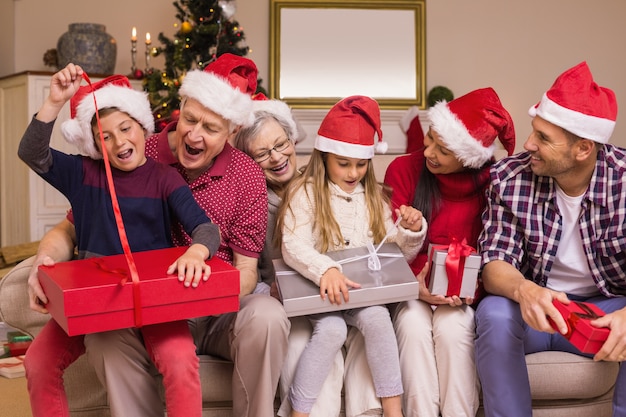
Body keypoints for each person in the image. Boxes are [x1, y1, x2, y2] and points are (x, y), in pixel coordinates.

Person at [28, 54, 290, 417]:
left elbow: (244, 268)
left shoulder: (245, 175)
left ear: (231, 132)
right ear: (179, 109)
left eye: (211, 128)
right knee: (103, 338)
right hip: (138, 301)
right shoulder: (135, 153)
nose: (195, 134)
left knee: (267, 316)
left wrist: (195, 286)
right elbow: (71, 226)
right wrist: (42, 264)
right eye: (190, 119)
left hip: (215, 304)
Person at [17, 64, 221, 417]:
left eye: (125, 128)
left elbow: (205, 228)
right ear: (94, 144)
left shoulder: (165, 179)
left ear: (143, 127)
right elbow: (32, 153)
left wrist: (197, 252)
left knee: (179, 360)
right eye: (105, 136)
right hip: (93, 300)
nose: (119, 141)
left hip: (154, 299)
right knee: (37, 362)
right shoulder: (82, 174)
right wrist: (53, 101)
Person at [474, 61, 626, 417]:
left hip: (602, 310)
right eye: (534, 131)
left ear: (583, 149)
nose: (528, 144)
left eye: (543, 138)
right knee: (494, 313)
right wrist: (525, 290)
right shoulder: (509, 178)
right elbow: (495, 260)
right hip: (536, 310)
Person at [276, 95, 427, 417]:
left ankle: (393, 410)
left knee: (377, 318)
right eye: (343, 163)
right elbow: (292, 245)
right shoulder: (305, 193)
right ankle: (298, 411)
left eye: (361, 164)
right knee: (332, 331)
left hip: (361, 296)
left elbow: (393, 251)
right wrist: (325, 269)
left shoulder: (373, 197)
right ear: (324, 157)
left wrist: (410, 230)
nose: (353, 172)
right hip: (321, 294)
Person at [382, 87, 516, 416]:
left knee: (453, 327)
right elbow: (383, 252)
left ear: (468, 157)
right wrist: (417, 285)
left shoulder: (495, 185)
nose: (428, 151)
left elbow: (500, 251)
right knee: (413, 325)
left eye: (441, 149)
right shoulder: (402, 170)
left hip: (464, 299)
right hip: (410, 292)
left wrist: (471, 289)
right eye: (429, 139)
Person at [232, 97, 346, 417]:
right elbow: (247, 272)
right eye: (263, 153)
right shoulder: (249, 203)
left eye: (281, 144)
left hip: (324, 293)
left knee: (333, 338)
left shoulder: (318, 187)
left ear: (293, 139)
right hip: (276, 299)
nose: (278, 157)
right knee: (296, 345)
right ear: (248, 162)